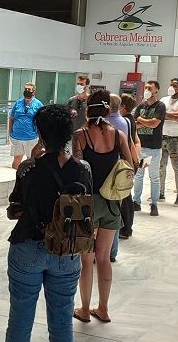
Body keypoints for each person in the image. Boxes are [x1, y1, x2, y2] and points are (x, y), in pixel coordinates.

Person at [5, 104, 93, 341]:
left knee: (20, 319)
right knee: (62, 320)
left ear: (41, 133)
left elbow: (16, 208)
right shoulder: (83, 170)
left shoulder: (28, 168)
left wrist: (33, 160)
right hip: (67, 248)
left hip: (28, 245)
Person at [72, 90, 133, 324]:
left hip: (87, 204)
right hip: (111, 202)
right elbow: (130, 166)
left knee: (86, 259)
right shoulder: (118, 135)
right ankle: (104, 309)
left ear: (88, 109)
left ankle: (85, 309)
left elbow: (76, 169)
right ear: (108, 110)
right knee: (104, 258)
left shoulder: (81, 136)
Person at [106, 94, 136, 262]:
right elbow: (129, 145)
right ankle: (113, 251)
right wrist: (131, 166)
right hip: (120, 170)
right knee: (116, 209)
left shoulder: (106, 123)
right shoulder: (125, 122)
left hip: (108, 170)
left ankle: (104, 250)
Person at [133, 81, 166, 216]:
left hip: (154, 148)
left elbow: (154, 123)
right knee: (139, 175)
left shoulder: (160, 106)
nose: (146, 90)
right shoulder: (141, 105)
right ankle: (136, 201)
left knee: (154, 177)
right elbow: (134, 124)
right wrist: (145, 122)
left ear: (156, 91)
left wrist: (142, 120)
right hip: (141, 147)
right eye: (146, 87)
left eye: (150, 88)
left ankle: (154, 204)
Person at [158, 78, 178, 206]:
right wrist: (170, 115)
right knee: (161, 166)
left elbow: (177, 116)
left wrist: (163, 114)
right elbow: (157, 114)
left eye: (175, 86)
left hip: (175, 139)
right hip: (162, 136)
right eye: (171, 85)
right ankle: (161, 193)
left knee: (177, 167)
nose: (172, 87)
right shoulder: (163, 100)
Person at [119, 94, 141, 240]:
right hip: (131, 160)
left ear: (123, 107)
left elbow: (130, 142)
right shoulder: (131, 120)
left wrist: (132, 162)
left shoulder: (125, 121)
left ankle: (126, 228)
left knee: (125, 196)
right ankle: (127, 227)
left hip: (127, 161)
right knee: (126, 195)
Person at [8, 82, 43, 169]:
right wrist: (10, 132)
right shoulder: (18, 103)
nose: (27, 91)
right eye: (25, 89)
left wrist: (41, 137)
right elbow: (11, 117)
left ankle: (30, 177)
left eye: (29, 89)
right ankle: (16, 176)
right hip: (17, 137)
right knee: (17, 159)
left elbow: (42, 121)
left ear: (34, 92)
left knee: (32, 160)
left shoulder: (38, 104)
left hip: (31, 138)